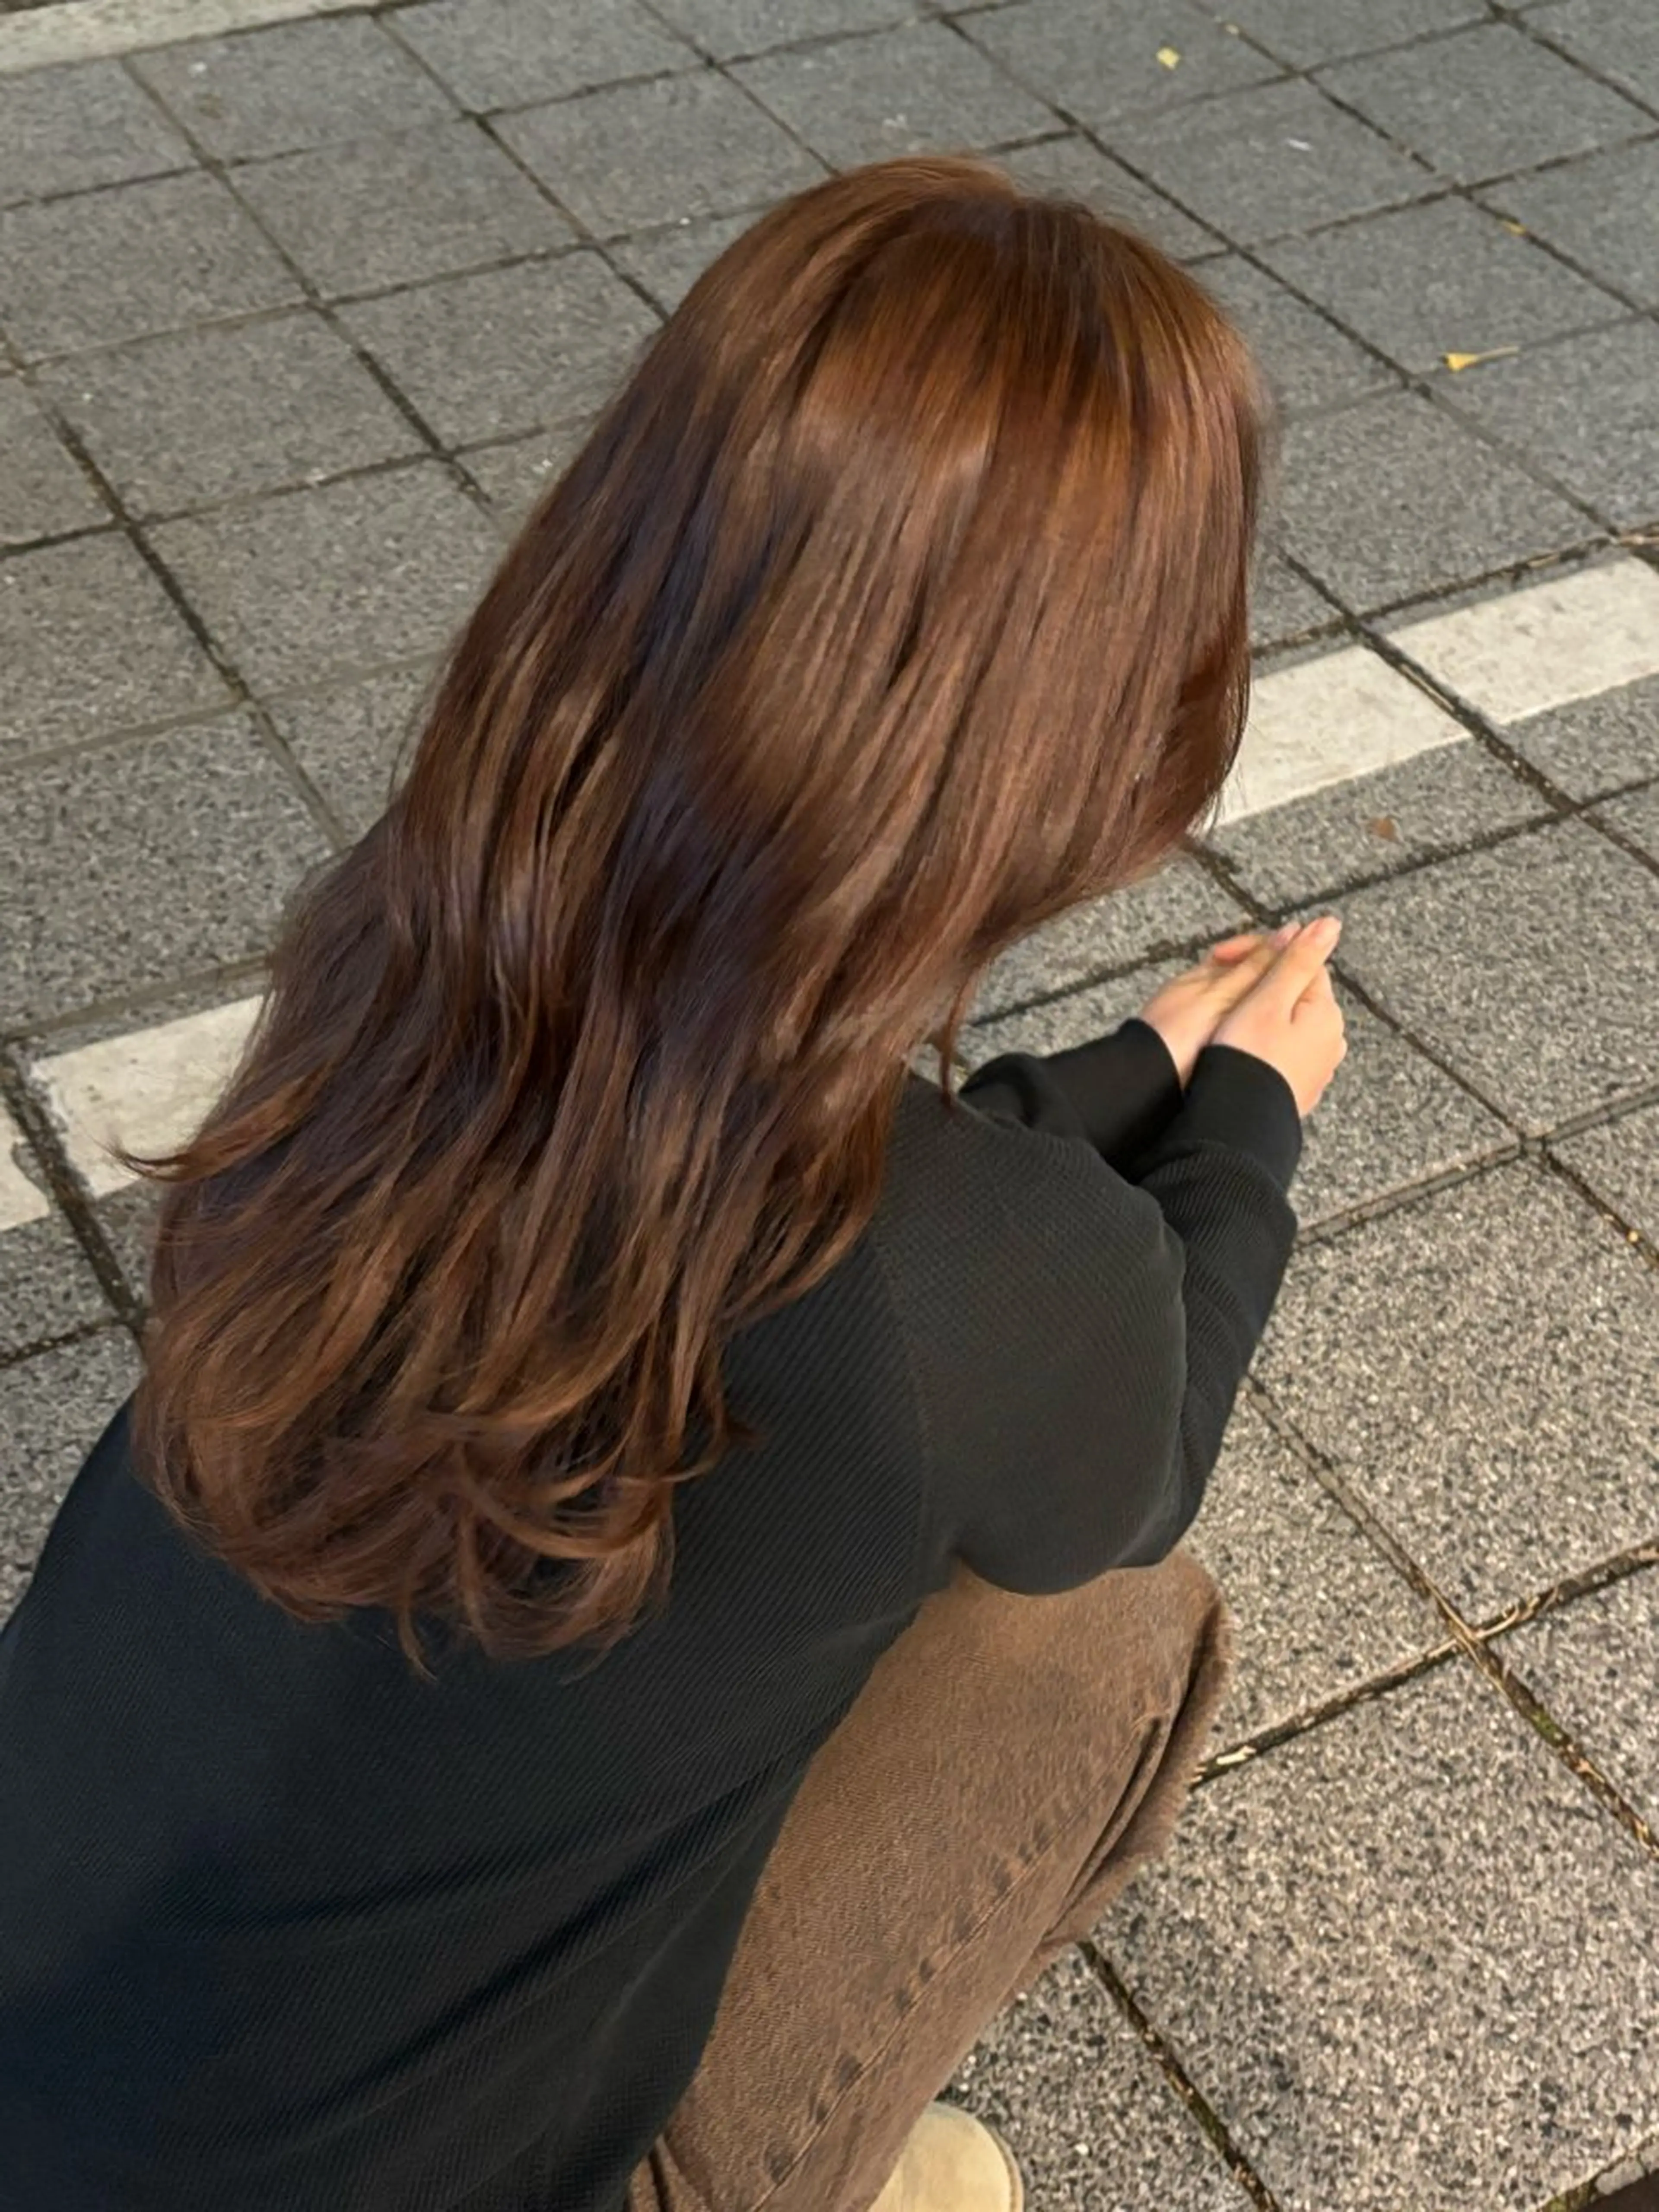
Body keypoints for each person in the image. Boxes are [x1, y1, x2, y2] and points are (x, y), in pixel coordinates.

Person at [0, 156, 1345, 2212]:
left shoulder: (395, 959)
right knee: (1105, 1632)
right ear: (1091, 748)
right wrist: (1252, 1116)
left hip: (71, 2043)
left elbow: (798, 1160)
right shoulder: (960, 1291)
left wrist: (1123, 1071)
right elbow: (1131, 1444)